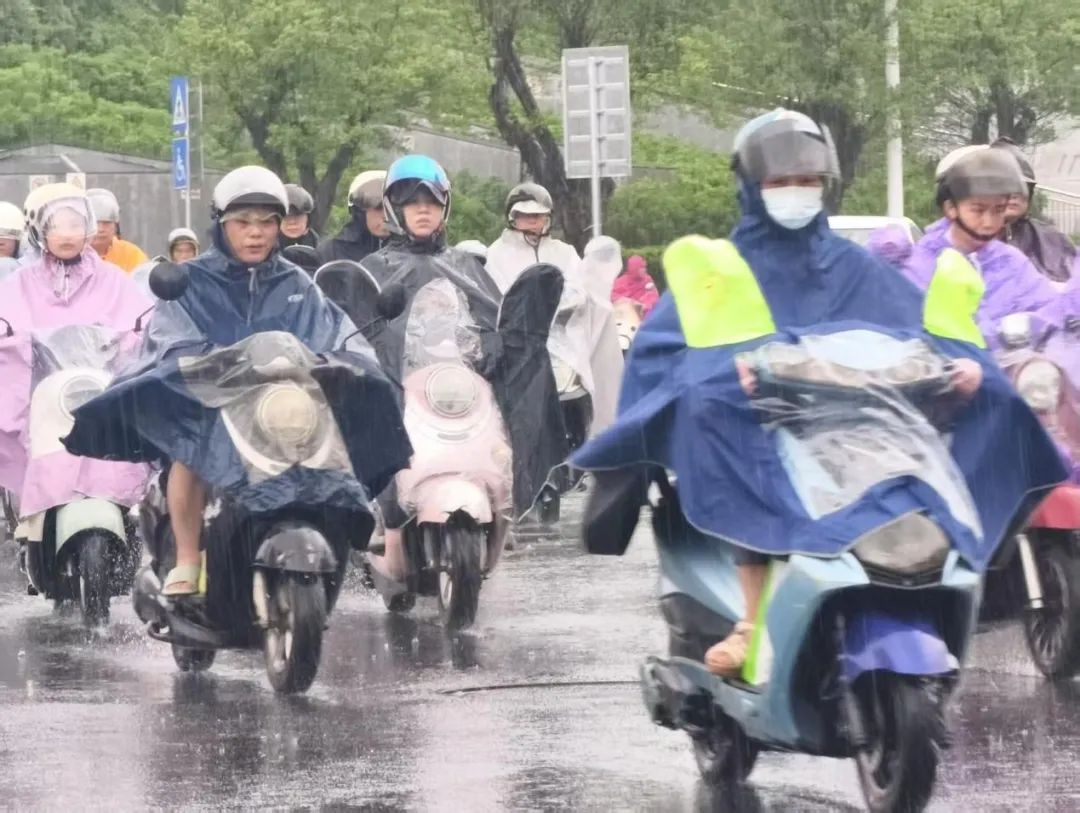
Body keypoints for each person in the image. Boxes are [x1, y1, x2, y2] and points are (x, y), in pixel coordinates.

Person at [570, 109, 1040, 680]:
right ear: (751, 186)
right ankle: (750, 620)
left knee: (979, 417)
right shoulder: (723, 268)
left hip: (858, 439)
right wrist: (722, 378)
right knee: (724, 427)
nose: (797, 192)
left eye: (809, 182)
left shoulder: (855, 268)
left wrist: (961, 370)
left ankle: (960, 581)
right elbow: (663, 356)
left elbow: (916, 330)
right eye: (781, 182)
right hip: (769, 436)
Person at [125, 166, 387, 596]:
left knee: (336, 434)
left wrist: (348, 360)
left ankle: (354, 521)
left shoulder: (297, 283)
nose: (256, 233)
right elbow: (168, 337)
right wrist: (195, 360)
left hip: (281, 403)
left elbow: (334, 331)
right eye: (243, 222)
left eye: (267, 222)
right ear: (220, 224)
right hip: (215, 402)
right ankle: (189, 557)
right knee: (190, 452)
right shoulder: (192, 282)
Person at [0, 183, 151, 521]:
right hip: (42, 395)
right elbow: (6, 322)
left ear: (89, 227)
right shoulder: (21, 282)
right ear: (39, 230)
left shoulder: (112, 279)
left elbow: (140, 321)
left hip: (101, 391)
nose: (66, 235)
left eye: (75, 224)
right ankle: (31, 518)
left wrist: (130, 341)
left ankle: (127, 516)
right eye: (56, 226)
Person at [903, 148, 1062, 344]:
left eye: (998, 210)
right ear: (951, 208)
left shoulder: (1011, 262)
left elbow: (1050, 312)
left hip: (1008, 372)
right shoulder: (923, 262)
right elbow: (904, 328)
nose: (989, 222)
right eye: (978, 210)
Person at [990, 137, 1075, 284]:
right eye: (1005, 184)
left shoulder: (1053, 239)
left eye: (1022, 186)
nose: (1014, 193)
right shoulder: (963, 238)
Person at [486, 182, 582, 294]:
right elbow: (494, 298)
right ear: (513, 217)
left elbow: (579, 290)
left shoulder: (566, 252)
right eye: (525, 215)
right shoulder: (495, 254)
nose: (532, 220)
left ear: (547, 218)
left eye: (537, 214)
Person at [315, 170, 388, 264]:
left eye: (393, 208)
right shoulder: (331, 251)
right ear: (358, 211)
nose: (386, 215)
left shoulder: (410, 250)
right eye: (378, 208)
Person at [86, 188, 149, 272]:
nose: (101, 229)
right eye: (96, 223)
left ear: (116, 226)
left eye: (107, 223)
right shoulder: (71, 254)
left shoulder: (131, 254)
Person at [279, 183, 320, 250]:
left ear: (308, 220)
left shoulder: (316, 243)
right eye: (286, 216)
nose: (292, 222)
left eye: (297, 215)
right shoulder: (264, 248)